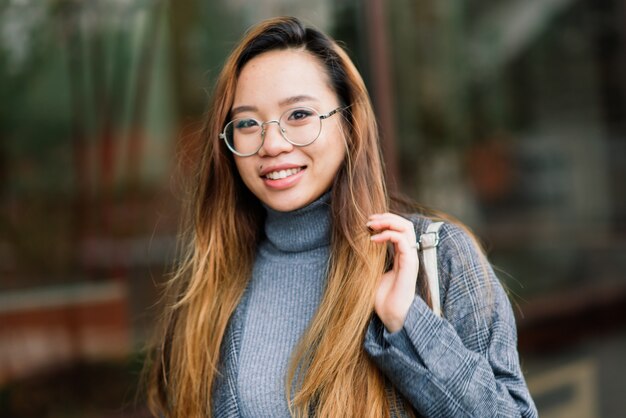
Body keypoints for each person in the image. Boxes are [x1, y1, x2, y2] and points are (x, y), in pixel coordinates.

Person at [145, 16, 538, 418]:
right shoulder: (211, 280)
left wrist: (408, 325)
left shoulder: (434, 257)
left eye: (299, 115)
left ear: (349, 124)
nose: (273, 144)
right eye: (247, 123)